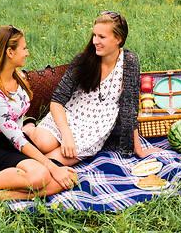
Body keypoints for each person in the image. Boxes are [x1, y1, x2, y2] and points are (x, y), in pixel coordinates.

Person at [0, 25, 77, 207]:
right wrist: (50, 166)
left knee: (68, 178)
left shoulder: (18, 77)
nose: (27, 53)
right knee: (41, 176)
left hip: (17, 143)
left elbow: (20, 130)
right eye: (24, 48)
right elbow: (16, 138)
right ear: (10, 52)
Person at [25, 11, 160, 166]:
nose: (95, 41)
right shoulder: (84, 60)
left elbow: (129, 108)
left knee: (48, 163)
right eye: (94, 35)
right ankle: (28, 127)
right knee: (42, 144)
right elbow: (57, 100)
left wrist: (138, 149)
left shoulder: (129, 61)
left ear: (118, 39)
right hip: (70, 116)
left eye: (102, 37)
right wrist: (66, 134)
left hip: (95, 129)